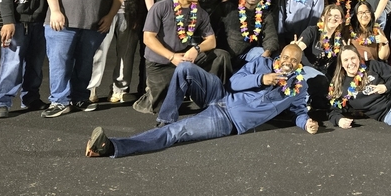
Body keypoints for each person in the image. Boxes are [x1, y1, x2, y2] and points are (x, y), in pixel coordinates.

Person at [85, 44, 318, 158]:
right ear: (280, 57)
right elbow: (235, 82)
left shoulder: (297, 86)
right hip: (221, 95)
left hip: (228, 120)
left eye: (293, 60)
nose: (288, 61)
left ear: (299, 65)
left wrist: (306, 123)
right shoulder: (263, 65)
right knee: (186, 68)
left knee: (177, 133)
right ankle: (165, 119)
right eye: (285, 56)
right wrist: (261, 78)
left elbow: (298, 111)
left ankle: (111, 147)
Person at [133, 0, 231, 115]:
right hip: (160, 63)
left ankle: (215, 97)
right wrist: (172, 57)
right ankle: (149, 96)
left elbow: (211, 41)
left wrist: (196, 49)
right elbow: (148, 38)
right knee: (161, 108)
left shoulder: (199, 12)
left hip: (184, 58)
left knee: (221, 55)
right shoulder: (161, 7)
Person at [223, 0, 280, 66]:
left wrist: (266, 53)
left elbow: (271, 37)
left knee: (262, 55)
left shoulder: (265, 15)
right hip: (224, 53)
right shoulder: (228, 8)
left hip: (246, 55)